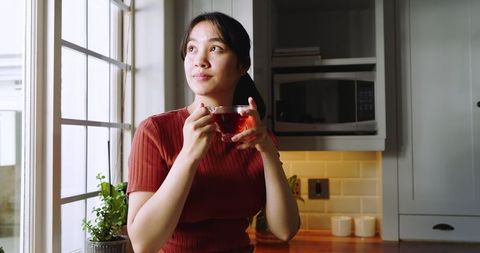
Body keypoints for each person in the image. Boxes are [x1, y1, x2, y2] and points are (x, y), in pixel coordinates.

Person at [126, 12, 300, 253]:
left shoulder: (257, 137)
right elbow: (143, 243)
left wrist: (268, 150)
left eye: (215, 48)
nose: (200, 60)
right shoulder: (155, 131)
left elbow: (284, 230)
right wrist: (189, 154)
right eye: (192, 49)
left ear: (242, 66)